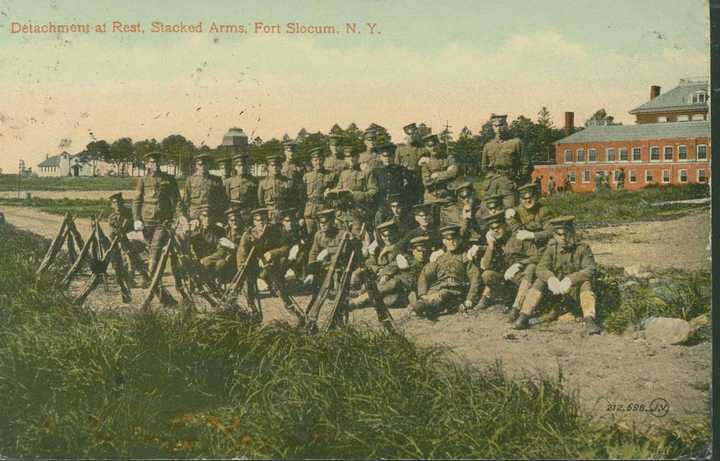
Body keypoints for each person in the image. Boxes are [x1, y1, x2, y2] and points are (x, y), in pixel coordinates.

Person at [514, 216, 601, 335]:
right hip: (555, 291)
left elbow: (591, 269)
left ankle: (590, 319)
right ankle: (524, 316)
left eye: (567, 234)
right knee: (540, 281)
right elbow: (541, 267)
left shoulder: (582, 248)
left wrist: (570, 279)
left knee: (586, 283)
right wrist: (551, 279)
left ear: (573, 233)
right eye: (559, 235)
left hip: (574, 291)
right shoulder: (552, 248)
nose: (563, 238)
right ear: (555, 235)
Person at [409, 224, 482, 319]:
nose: (451, 242)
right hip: (436, 289)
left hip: (456, 291)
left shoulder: (465, 257)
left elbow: (475, 277)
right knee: (427, 299)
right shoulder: (439, 258)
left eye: (453, 239)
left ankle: (427, 308)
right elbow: (425, 273)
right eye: (448, 240)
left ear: (459, 239)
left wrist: (470, 299)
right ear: (444, 241)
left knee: (444, 295)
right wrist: (422, 294)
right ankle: (423, 305)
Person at [477, 210, 539, 313]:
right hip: (507, 279)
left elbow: (536, 257)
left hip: (522, 276)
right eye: (492, 229)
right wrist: (490, 246)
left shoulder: (519, 236)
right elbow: (485, 266)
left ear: (505, 226)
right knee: (487, 275)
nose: (496, 230)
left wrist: (519, 264)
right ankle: (509, 299)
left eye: (498, 227)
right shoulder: (495, 242)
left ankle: (524, 305)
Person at [132, 151, 182, 278]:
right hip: (147, 219)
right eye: (152, 162)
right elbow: (137, 200)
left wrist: (179, 216)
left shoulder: (169, 179)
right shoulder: (143, 180)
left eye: (157, 162)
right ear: (147, 164)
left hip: (162, 220)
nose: (155, 164)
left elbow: (177, 200)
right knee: (150, 248)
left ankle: (151, 278)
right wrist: (137, 219)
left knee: (156, 247)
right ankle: (151, 275)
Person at [348, 235, 431, 310]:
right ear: (413, 251)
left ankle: (360, 300)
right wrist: (385, 275)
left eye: (425, 251)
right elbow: (391, 266)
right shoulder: (407, 258)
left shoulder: (429, 263)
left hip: (405, 291)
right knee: (388, 285)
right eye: (419, 251)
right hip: (396, 283)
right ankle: (356, 301)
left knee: (389, 301)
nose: (422, 254)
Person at [481, 114, 530, 208]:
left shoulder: (516, 143)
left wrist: (517, 181)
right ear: (492, 127)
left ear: (506, 126)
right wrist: (490, 178)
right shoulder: (488, 145)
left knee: (510, 212)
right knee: (490, 212)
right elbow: (484, 167)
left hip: (509, 184)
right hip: (492, 185)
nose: (498, 128)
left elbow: (526, 164)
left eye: (501, 125)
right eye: (495, 126)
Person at [183, 153, 227, 225]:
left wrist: (220, 217)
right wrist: (187, 218)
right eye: (200, 164)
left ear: (209, 165)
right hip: (195, 216)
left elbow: (222, 200)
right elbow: (185, 201)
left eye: (205, 164)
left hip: (212, 215)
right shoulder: (190, 180)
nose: (203, 167)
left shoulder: (216, 180)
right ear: (196, 165)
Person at [302, 147, 338, 236]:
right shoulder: (306, 176)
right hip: (309, 210)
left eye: (320, 160)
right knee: (310, 234)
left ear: (323, 160)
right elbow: (301, 197)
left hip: (324, 208)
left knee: (325, 234)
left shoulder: (330, 175)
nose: (318, 162)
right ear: (311, 161)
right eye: (315, 160)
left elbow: (335, 195)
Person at [224, 152, 258, 232]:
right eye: (239, 166)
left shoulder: (254, 181)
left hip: (248, 212)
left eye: (244, 165)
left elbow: (256, 199)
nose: (242, 168)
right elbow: (227, 198)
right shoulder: (229, 181)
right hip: (235, 213)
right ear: (235, 167)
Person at [420, 133, 458, 202]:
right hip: (431, 197)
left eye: (435, 145)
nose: (433, 148)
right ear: (426, 148)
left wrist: (437, 175)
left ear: (438, 144)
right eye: (430, 146)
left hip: (447, 196)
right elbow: (427, 181)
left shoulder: (449, 158)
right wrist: (446, 173)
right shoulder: (425, 161)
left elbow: (454, 173)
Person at [374, 142, 413, 209]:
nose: (387, 159)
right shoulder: (376, 171)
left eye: (390, 156)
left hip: (399, 204)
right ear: (380, 157)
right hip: (382, 204)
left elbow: (408, 188)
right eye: (384, 156)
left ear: (394, 156)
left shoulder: (401, 170)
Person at [257, 154, 293, 222]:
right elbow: (260, 201)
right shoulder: (262, 183)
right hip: (269, 213)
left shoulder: (287, 181)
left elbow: (291, 198)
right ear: (268, 167)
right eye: (272, 165)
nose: (275, 168)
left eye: (277, 165)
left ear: (280, 167)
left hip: (284, 212)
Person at [281, 139, 306, 212]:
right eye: (288, 151)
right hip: (283, 195)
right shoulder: (280, 166)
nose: (291, 153)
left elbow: (303, 182)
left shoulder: (300, 166)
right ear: (284, 152)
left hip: (295, 195)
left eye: (292, 151)